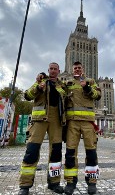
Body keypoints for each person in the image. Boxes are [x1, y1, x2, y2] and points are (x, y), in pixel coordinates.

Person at [18, 63, 66, 195]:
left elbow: (66, 100)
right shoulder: (40, 81)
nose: (53, 71)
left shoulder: (62, 86)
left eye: (55, 69)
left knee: (56, 152)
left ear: (59, 71)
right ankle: (25, 185)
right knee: (32, 151)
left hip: (56, 120)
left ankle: (54, 183)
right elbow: (27, 95)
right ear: (48, 70)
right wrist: (38, 88)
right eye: (51, 69)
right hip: (39, 120)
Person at [64, 61, 101, 195]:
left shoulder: (90, 81)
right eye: (75, 68)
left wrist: (87, 88)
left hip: (88, 122)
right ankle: (70, 182)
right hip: (72, 123)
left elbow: (98, 96)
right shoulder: (67, 83)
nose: (78, 70)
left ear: (83, 69)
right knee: (70, 153)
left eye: (79, 68)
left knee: (91, 153)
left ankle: (92, 182)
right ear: (72, 69)